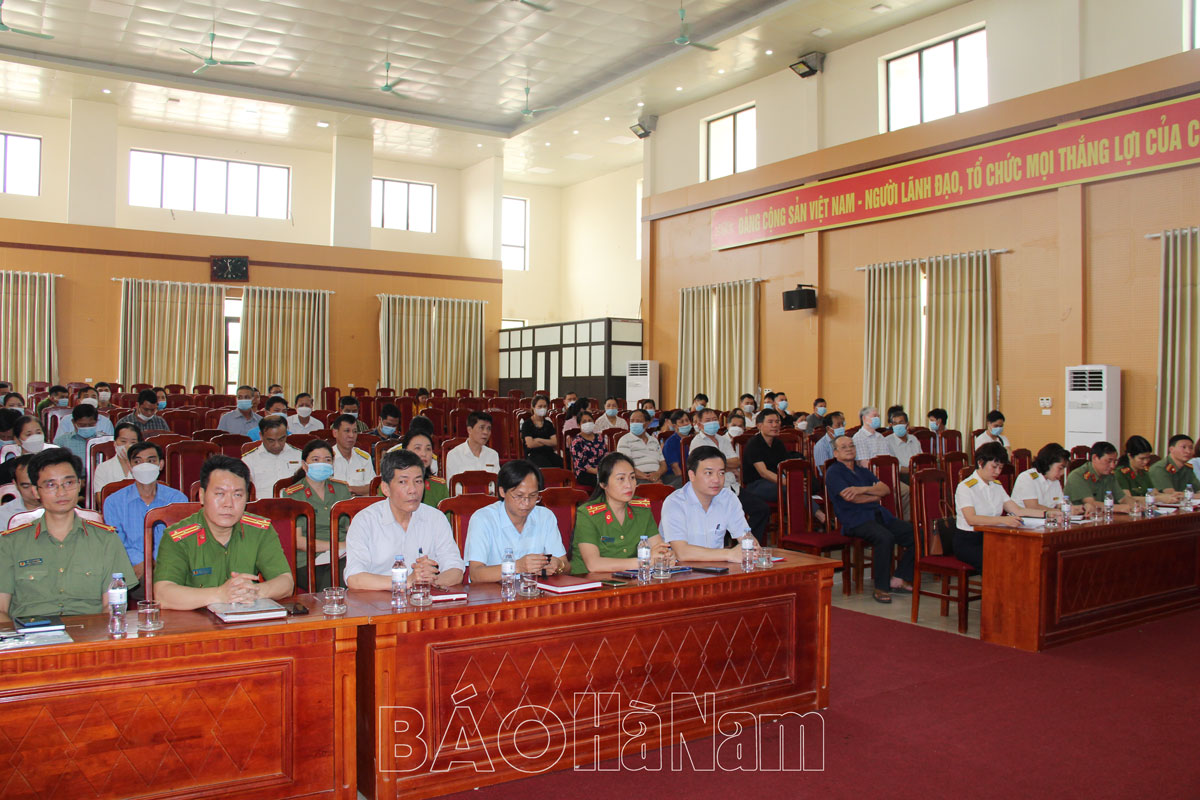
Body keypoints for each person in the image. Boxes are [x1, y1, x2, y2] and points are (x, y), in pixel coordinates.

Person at [0, 448, 136, 622]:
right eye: (50, 485)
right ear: (35, 491)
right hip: (31, 638)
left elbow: (111, 607)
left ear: (80, 485)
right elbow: (1, 610)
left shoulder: (106, 540)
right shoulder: (10, 542)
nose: (61, 492)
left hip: (89, 635)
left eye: (69, 483)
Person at [154, 456, 293, 610]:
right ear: (201, 495)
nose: (228, 504)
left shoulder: (260, 530)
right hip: (196, 625)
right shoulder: (179, 537)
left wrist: (254, 592)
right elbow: (163, 594)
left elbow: (285, 582)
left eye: (237, 495)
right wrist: (220, 594)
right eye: (220, 494)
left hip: (247, 622)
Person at [344, 449, 465, 590]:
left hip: (423, 602)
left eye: (418, 481)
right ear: (386, 488)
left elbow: (456, 570)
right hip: (378, 604)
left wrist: (431, 580)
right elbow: (354, 578)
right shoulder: (365, 521)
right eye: (403, 482)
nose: (413, 489)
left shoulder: (435, 518)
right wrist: (407, 581)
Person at [824, 435, 915, 604]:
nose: (850, 449)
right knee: (885, 537)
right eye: (844, 447)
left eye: (851, 445)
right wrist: (873, 495)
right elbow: (851, 499)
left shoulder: (861, 470)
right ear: (836, 453)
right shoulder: (834, 472)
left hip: (878, 515)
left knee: (916, 534)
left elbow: (885, 489)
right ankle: (881, 587)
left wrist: (860, 489)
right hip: (855, 520)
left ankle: (900, 578)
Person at [464, 460, 568, 581]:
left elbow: (565, 565)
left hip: (534, 593)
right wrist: (517, 566)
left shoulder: (545, 516)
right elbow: (476, 574)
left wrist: (559, 566)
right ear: (502, 491)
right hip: (494, 594)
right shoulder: (483, 519)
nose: (527, 503)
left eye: (533, 495)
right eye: (519, 496)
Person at [953, 442, 1051, 571]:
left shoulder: (996, 486)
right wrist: (1003, 520)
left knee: (1021, 555)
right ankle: (995, 591)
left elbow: (1017, 510)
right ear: (980, 463)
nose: (998, 472)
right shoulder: (966, 487)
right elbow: (972, 519)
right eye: (994, 467)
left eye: (1000, 468)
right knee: (997, 561)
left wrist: (1047, 514)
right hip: (970, 541)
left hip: (993, 537)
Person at [569, 452, 670, 574]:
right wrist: (644, 561)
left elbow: (658, 548)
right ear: (603, 484)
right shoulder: (588, 514)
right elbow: (594, 565)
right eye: (621, 479)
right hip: (590, 583)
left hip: (630, 581)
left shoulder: (642, 509)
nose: (629, 485)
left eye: (632, 477)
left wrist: (666, 557)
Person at [101, 442, 187, 582]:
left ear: (161, 464)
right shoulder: (113, 502)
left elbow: (181, 541)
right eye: (137, 461)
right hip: (131, 569)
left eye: (151, 461)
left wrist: (152, 564)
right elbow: (117, 544)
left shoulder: (177, 499)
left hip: (169, 568)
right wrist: (142, 565)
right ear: (130, 466)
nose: (144, 466)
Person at [660, 446, 755, 562]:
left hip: (717, 570)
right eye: (709, 473)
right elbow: (682, 553)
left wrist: (753, 549)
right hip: (681, 573)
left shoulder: (728, 498)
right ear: (692, 475)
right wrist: (728, 554)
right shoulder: (675, 503)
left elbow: (747, 538)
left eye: (721, 473)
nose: (716, 479)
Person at [282, 439, 352, 591]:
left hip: (343, 555)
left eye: (327, 460)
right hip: (309, 560)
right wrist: (337, 547)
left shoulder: (342, 490)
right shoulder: (293, 494)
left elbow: (351, 528)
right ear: (304, 465)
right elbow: (298, 541)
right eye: (315, 460)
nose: (322, 463)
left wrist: (350, 548)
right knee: (339, 577)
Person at [739, 408, 787, 542]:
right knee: (790, 490)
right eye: (770, 422)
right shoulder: (754, 444)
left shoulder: (778, 443)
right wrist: (785, 482)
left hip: (773, 483)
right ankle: (818, 515)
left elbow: (783, 466)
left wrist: (789, 480)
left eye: (777, 422)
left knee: (795, 489)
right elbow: (763, 472)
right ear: (759, 425)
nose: (775, 425)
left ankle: (792, 534)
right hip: (756, 485)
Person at [1063, 441, 1135, 512]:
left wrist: (1134, 506)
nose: (1113, 466)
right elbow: (1091, 503)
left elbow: (1122, 498)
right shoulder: (1077, 476)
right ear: (1094, 458)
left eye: (1115, 461)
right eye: (1109, 461)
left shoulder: (1109, 475)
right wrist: (1119, 508)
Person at [243, 415, 303, 499]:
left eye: (281, 439)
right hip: (262, 509)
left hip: (294, 507)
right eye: (271, 440)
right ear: (261, 436)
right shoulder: (249, 460)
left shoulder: (299, 456)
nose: (277, 445)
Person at [1011, 443, 1078, 513]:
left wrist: (1074, 508)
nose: (1062, 473)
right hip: (1023, 521)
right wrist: (1060, 512)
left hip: (1046, 521)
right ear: (1048, 462)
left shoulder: (1054, 481)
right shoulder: (1027, 477)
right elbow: (1033, 507)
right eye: (1060, 468)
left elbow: (1060, 504)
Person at [391, 430, 449, 509]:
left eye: (428, 449)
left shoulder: (439, 486)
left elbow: (446, 520)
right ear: (405, 451)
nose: (424, 454)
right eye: (417, 448)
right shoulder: (391, 483)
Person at [690, 407, 740, 492]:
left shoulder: (724, 440)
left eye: (714, 419)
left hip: (732, 486)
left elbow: (736, 462)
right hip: (711, 488)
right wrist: (729, 468)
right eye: (708, 420)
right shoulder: (698, 442)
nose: (712, 423)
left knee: (759, 505)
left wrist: (720, 467)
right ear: (699, 425)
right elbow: (706, 467)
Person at [445, 411, 500, 488]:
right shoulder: (454, 455)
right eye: (482, 427)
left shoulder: (493, 455)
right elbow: (453, 488)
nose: (486, 432)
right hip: (463, 499)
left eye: (489, 428)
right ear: (469, 430)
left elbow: (496, 485)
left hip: (489, 499)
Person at [93, 423, 143, 501]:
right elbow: (101, 501)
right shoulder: (103, 468)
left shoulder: (145, 467)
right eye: (123, 441)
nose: (127, 446)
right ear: (115, 443)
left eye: (133, 442)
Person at [616, 409, 667, 484]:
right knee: (658, 489)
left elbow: (663, 464)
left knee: (682, 481)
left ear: (647, 423)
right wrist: (648, 477)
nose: (634, 424)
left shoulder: (654, 440)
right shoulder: (624, 440)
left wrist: (657, 474)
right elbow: (626, 466)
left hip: (657, 475)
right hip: (637, 478)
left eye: (638, 421)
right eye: (632, 421)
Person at [885, 408, 920, 517]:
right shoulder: (887, 441)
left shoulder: (914, 439)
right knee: (908, 490)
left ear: (907, 424)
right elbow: (893, 466)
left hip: (916, 472)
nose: (898, 426)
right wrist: (912, 470)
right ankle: (909, 522)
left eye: (901, 423)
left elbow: (921, 458)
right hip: (900, 475)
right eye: (894, 423)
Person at [330, 414, 375, 496]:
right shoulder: (327, 458)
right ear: (335, 433)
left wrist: (349, 489)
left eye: (354, 431)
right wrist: (360, 490)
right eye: (347, 431)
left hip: (361, 506)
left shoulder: (364, 458)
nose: (351, 435)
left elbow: (372, 487)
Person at [521, 395, 564, 468]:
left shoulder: (548, 424)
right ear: (533, 407)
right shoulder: (527, 424)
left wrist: (538, 440)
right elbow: (530, 444)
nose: (542, 409)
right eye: (540, 406)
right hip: (534, 454)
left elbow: (554, 442)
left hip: (549, 453)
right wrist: (547, 442)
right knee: (546, 467)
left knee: (563, 465)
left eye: (545, 406)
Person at [569, 409, 606, 489]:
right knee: (603, 481)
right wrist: (598, 472)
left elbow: (605, 454)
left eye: (590, 420)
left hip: (601, 470)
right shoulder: (577, 441)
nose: (588, 423)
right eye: (584, 422)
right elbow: (581, 464)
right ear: (579, 425)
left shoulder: (599, 437)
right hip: (585, 473)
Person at [0, 456, 39, 529]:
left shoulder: (62, 508)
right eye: (26, 486)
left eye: (37, 485)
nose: (33, 491)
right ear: (15, 484)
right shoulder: (3, 515)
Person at [660, 410, 693, 487]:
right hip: (673, 476)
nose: (686, 423)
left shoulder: (692, 439)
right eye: (681, 422)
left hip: (689, 475)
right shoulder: (671, 443)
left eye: (687, 420)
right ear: (675, 426)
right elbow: (676, 469)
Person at [812, 411, 845, 476]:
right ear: (828, 428)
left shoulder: (846, 441)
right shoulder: (821, 445)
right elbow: (824, 470)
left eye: (843, 424)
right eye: (838, 425)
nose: (842, 427)